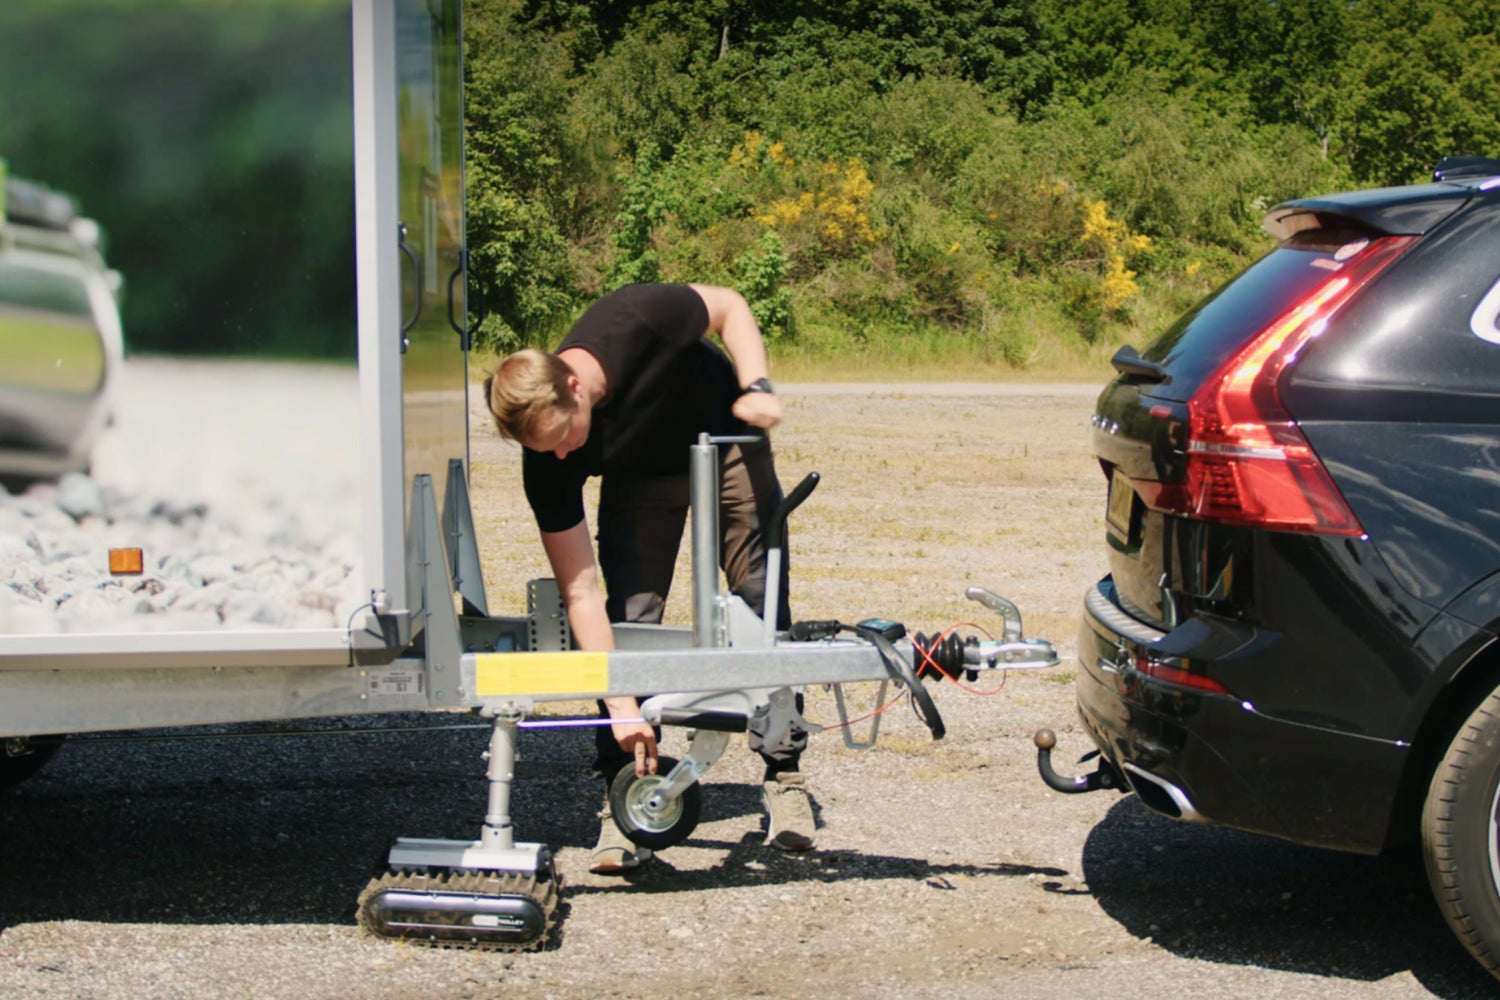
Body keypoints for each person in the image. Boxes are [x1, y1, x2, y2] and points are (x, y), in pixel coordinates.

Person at [483, 282, 815, 874]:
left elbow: (730, 306)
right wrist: (621, 709)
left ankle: (783, 775)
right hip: (640, 471)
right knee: (630, 620)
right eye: (545, 449)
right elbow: (580, 591)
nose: (560, 457)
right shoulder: (547, 459)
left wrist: (758, 385)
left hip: (725, 435)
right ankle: (622, 795)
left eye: (564, 436)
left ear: (576, 386)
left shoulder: (639, 319)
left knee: (760, 602)